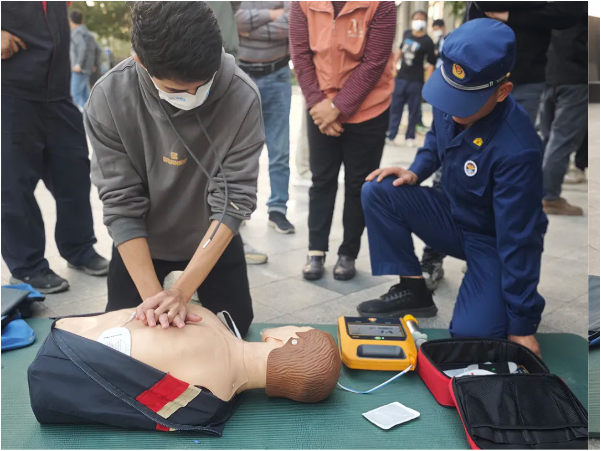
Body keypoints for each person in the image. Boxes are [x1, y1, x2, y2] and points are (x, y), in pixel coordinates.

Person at [357, 19, 548, 357]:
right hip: (452, 214)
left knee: (473, 336)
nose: (452, 107)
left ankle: (495, 292)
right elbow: (436, 138)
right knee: (379, 189)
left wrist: (522, 325)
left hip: (492, 240)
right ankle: (414, 291)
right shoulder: (452, 95)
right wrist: (415, 171)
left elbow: (521, 239)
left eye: (465, 101)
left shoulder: (518, 149)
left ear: (502, 91)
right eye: (450, 94)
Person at [85, 2, 264, 335]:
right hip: (142, 238)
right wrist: (157, 304)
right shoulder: (109, 96)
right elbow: (121, 202)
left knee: (235, 327)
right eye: (178, 90)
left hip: (210, 235)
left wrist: (182, 291)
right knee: (127, 335)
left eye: (204, 84)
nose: (194, 95)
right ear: (141, 61)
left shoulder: (242, 95)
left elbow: (234, 199)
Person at [28, 305, 341, 431]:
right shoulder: (212, 407)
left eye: (300, 328)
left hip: (62, 349)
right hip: (61, 378)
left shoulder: (206, 320)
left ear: (289, 341)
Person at [1, 1, 108, 294]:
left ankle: (79, 248)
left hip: (59, 93)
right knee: (14, 185)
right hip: (10, 93)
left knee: (74, 173)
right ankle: (27, 266)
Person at [290, 1, 396, 281]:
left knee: (358, 185)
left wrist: (338, 108)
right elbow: (300, 54)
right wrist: (318, 105)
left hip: (369, 108)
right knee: (321, 180)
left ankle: (348, 253)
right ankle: (315, 251)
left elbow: (374, 62)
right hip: (320, 104)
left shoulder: (382, 4)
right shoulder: (302, 3)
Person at [465, 2, 580, 125]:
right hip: (484, 77)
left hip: (527, 76)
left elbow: (567, 13)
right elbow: (486, 3)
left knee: (518, 135)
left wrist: (512, 16)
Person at [236, 2, 295, 235]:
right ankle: (237, 208)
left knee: (279, 150)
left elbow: (291, 24)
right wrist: (272, 14)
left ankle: (278, 209)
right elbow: (234, 21)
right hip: (241, 75)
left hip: (277, 75)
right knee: (238, 149)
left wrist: (249, 31)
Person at [538, 2, 588, 216]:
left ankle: (539, 192)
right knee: (561, 139)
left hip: (548, 74)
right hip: (574, 77)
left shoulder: (550, 6)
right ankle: (550, 197)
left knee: (549, 137)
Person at [387, 10, 436, 147]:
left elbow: (431, 63)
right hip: (401, 78)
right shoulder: (407, 34)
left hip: (416, 80)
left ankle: (410, 136)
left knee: (413, 110)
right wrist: (393, 66)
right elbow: (400, 50)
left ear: (425, 21)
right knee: (395, 107)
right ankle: (391, 134)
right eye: (416, 18)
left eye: (421, 19)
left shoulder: (427, 41)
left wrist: (428, 82)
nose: (418, 21)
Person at [68, 9, 97, 109]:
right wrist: (94, 64)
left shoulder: (76, 32)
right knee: (86, 98)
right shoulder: (88, 33)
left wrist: (78, 64)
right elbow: (97, 49)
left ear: (70, 20)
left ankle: (75, 117)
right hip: (87, 68)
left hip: (79, 69)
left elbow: (82, 46)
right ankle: (89, 117)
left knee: (74, 96)